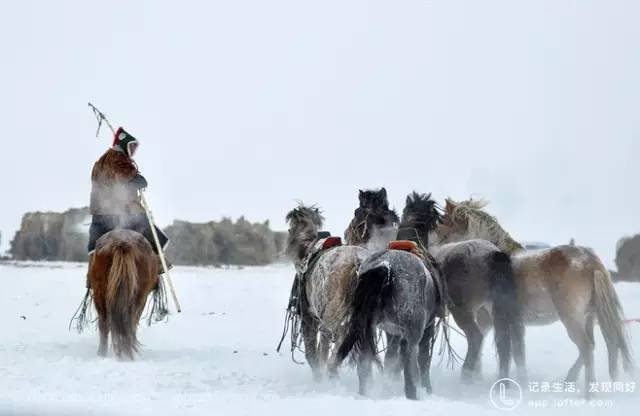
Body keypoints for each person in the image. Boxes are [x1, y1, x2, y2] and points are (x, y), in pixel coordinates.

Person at [86, 127, 170, 288]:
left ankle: (91, 278)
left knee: (94, 243)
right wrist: (139, 180)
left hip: (100, 215)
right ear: (124, 145)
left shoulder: (99, 163)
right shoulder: (120, 159)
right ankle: (158, 264)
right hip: (123, 214)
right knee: (151, 232)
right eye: (131, 147)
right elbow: (132, 181)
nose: (133, 151)